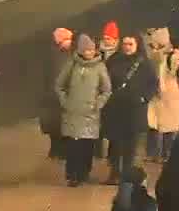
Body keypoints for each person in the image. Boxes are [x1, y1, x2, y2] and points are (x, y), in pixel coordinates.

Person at [56, 34, 113, 188]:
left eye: (91, 50)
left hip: (91, 113)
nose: (89, 53)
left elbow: (106, 90)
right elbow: (59, 85)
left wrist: (98, 104)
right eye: (86, 50)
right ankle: (72, 175)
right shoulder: (72, 65)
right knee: (73, 145)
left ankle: (84, 173)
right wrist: (65, 102)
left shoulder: (100, 67)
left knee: (86, 144)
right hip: (73, 111)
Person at [102, 33, 158, 186]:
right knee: (115, 143)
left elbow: (153, 84)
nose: (126, 47)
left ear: (137, 45)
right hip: (115, 107)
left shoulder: (145, 64)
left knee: (131, 144)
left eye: (130, 44)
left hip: (135, 109)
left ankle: (126, 174)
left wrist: (144, 98)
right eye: (124, 44)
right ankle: (114, 173)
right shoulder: (113, 60)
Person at [143, 28, 179, 165]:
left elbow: (176, 71)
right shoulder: (155, 56)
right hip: (156, 93)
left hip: (170, 93)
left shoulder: (174, 57)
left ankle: (166, 154)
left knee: (169, 126)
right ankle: (153, 153)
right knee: (152, 124)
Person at [41, 27, 75, 163]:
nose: (70, 42)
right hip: (55, 97)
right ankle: (57, 150)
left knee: (61, 125)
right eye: (68, 39)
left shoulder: (66, 55)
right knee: (55, 126)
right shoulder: (57, 56)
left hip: (61, 96)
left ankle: (60, 151)